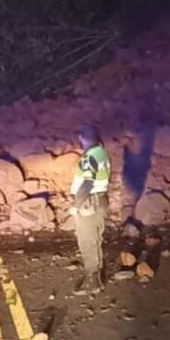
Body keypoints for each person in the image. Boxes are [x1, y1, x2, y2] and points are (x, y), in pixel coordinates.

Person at [69, 124, 111, 295]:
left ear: (83, 138)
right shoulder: (102, 153)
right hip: (101, 200)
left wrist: (75, 206)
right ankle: (98, 279)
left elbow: (87, 183)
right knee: (96, 238)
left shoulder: (88, 157)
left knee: (87, 241)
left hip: (88, 203)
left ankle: (91, 280)